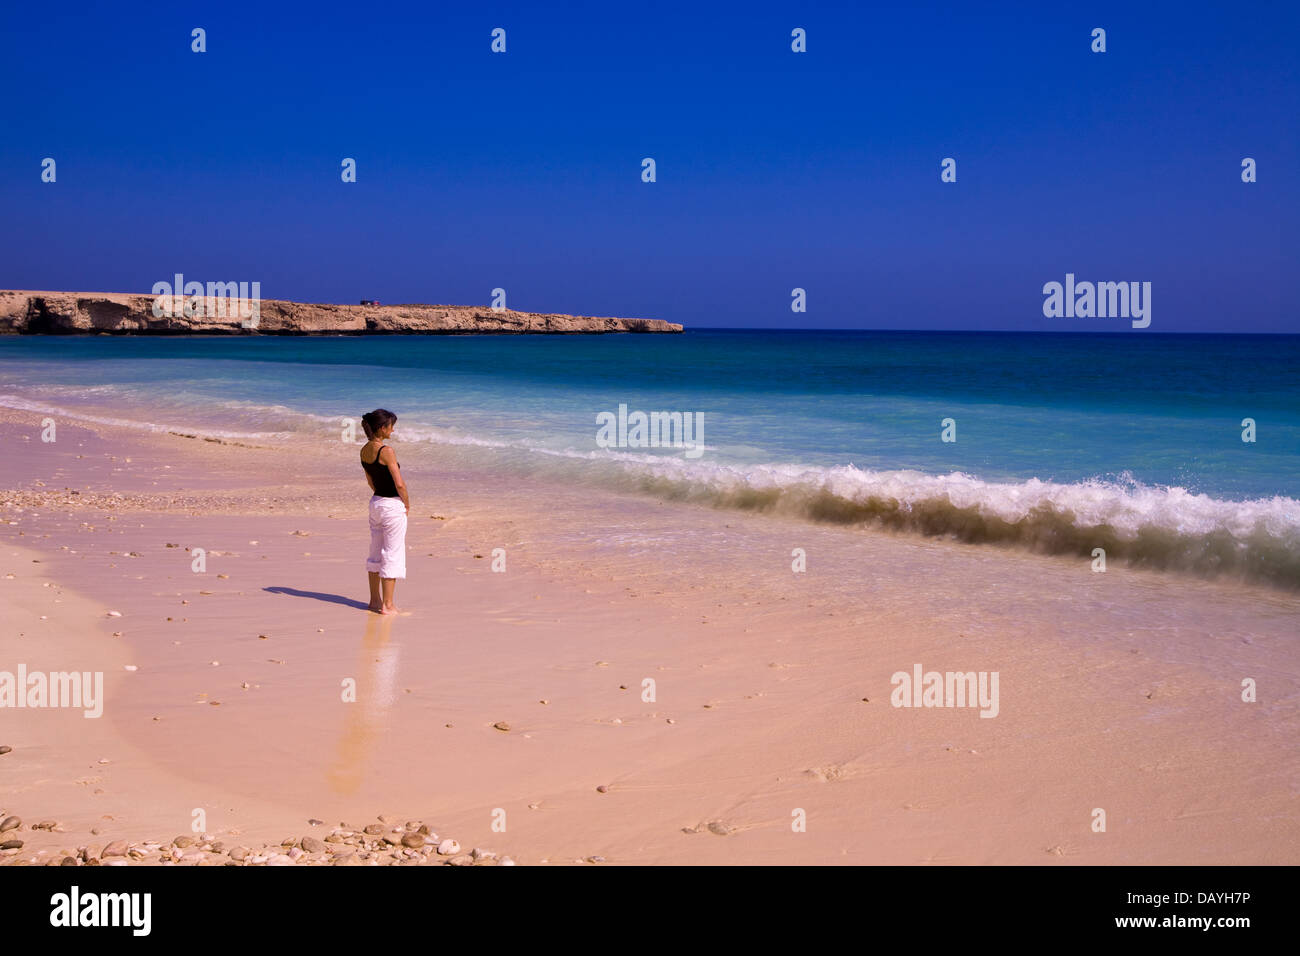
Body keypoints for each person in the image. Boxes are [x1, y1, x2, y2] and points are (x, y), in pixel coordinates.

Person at [360, 409, 408, 614]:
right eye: (391, 426)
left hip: (376, 503)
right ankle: (388, 605)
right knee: (392, 553)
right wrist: (406, 503)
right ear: (382, 428)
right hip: (391, 505)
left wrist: (380, 496)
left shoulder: (364, 450)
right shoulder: (386, 451)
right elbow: (399, 483)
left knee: (375, 552)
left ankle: (374, 601)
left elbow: (370, 480)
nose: (393, 430)